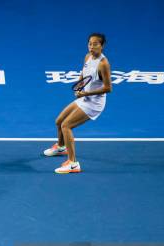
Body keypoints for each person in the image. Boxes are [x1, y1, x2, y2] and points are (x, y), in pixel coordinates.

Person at [43, 33, 112, 174]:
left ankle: (73, 164)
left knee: (66, 126)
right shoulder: (87, 57)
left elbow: (108, 88)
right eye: (90, 44)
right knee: (59, 121)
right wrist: (80, 85)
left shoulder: (103, 64)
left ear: (102, 46)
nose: (91, 47)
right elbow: (84, 73)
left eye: (95, 44)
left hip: (94, 104)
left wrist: (85, 93)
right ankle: (61, 147)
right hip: (84, 97)